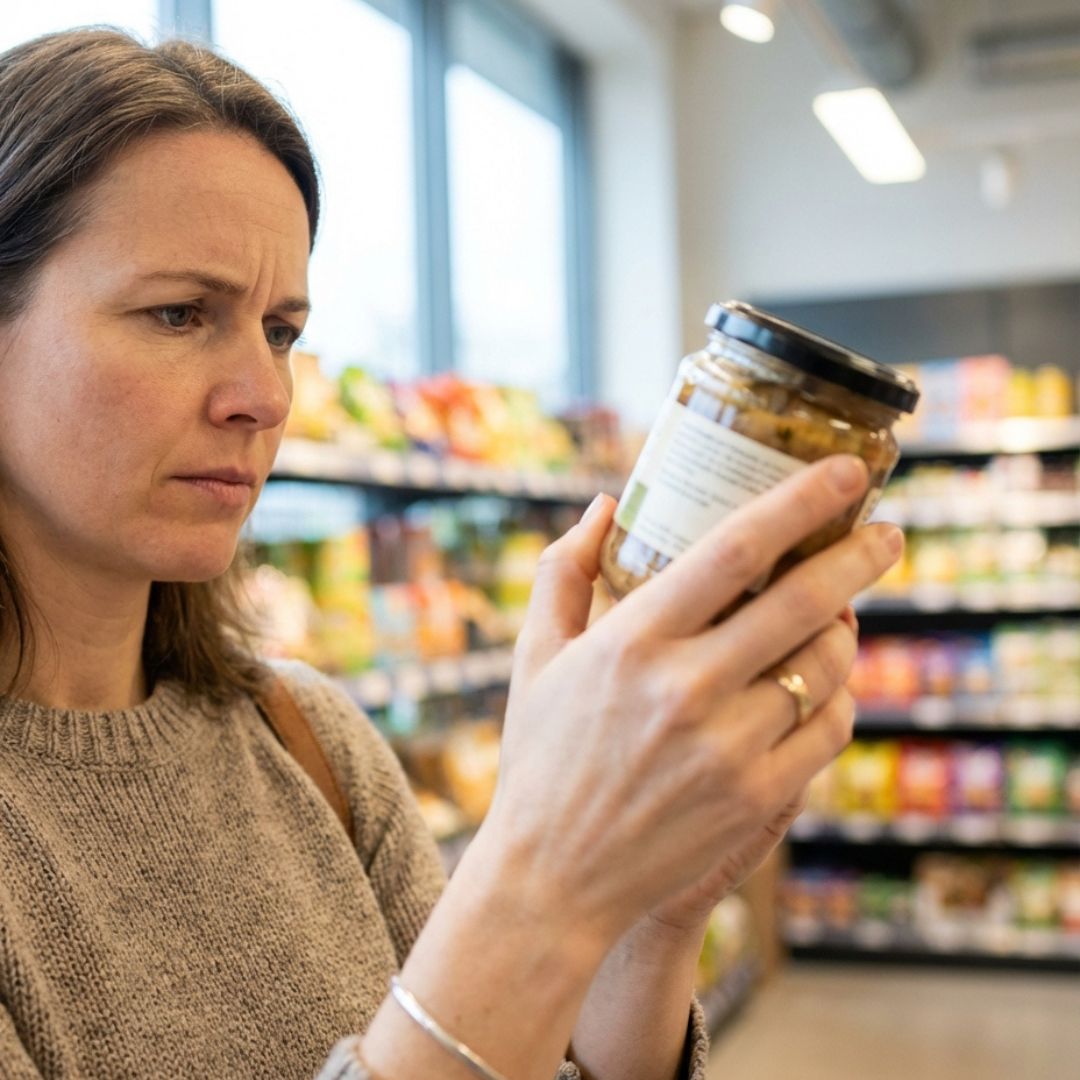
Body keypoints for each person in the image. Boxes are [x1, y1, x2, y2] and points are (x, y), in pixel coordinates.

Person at [0, 27, 903, 1080]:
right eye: (178, 313)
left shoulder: (311, 744)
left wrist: (643, 917)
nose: (264, 395)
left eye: (282, 330)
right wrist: (543, 878)